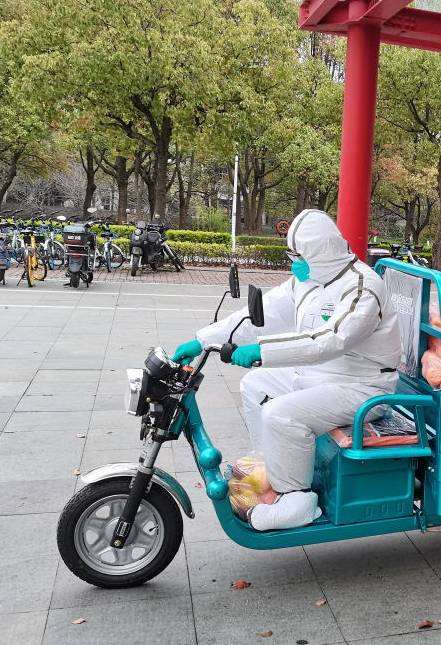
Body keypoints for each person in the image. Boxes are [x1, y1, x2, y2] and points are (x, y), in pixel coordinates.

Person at [172, 210, 402, 531]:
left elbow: (330, 340)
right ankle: (270, 465)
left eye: (299, 255)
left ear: (320, 253)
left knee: (280, 414)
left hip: (363, 387)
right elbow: (262, 314)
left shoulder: (363, 287)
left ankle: (298, 500)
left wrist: (262, 351)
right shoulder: (308, 280)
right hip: (323, 373)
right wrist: (203, 340)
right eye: (292, 254)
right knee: (255, 384)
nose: (295, 262)